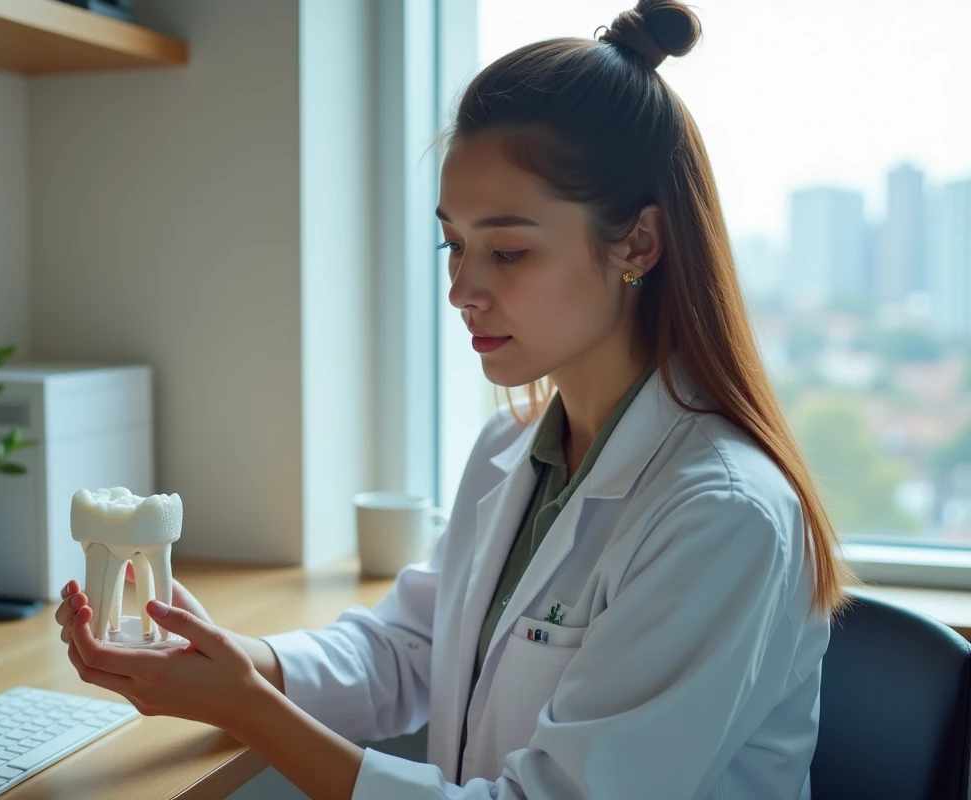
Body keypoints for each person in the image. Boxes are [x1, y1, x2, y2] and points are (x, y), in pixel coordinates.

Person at [54, 2, 852, 797]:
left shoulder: (724, 516)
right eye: (455, 244)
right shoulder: (513, 451)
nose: (462, 289)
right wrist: (228, 657)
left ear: (637, 243)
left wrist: (253, 710)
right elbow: (408, 648)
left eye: (507, 250)